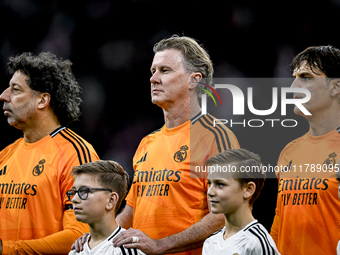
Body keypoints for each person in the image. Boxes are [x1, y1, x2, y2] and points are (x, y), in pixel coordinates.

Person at [73, 35, 240, 254]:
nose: (153, 78)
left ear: (194, 80)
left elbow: (227, 215)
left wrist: (161, 245)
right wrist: (101, 237)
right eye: (153, 71)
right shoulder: (147, 143)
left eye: (165, 70)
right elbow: (131, 212)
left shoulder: (217, 137)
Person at [0, 52, 99, 254]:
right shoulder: (5, 155)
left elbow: (80, 236)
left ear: (42, 100)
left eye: (15, 89)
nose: (4, 95)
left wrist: (8, 250)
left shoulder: (76, 153)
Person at [270, 45, 340, 254]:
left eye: (306, 77)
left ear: (336, 87)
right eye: (294, 77)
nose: (294, 86)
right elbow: (279, 225)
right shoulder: (289, 152)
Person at [203, 148, 280, 255]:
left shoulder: (257, 243)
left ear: (248, 189)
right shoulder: (210, 242)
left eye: (220, 184)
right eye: (209, 183)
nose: (210, 192)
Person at [67, 160, 145, 255]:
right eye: (74, 192)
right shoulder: (76, 250)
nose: (74, 199)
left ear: (111, 200)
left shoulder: (127, 249)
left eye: (84, 191)